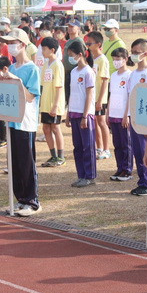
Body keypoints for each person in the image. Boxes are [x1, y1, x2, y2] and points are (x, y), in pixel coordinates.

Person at [0, 30, 43, 216]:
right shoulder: (12, 67)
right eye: (8, 43)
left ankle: (32, 201)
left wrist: (16, 81)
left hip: (26, 121)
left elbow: (31, 96)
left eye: (13, 42)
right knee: (14, 162)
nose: (10, 46)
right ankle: (20, 199)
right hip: (13, 120)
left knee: (26, 161)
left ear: (23, 44)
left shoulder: (31, 69)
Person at [126, 39, 147, 196]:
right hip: (134, 117)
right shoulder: (133, 74)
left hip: (145, 118)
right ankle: (143, 180)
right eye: (132, 52)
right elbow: (129, 95)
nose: (133, 55)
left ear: (145, 54)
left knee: (145, 149)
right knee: (137, 151)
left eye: (136, 52)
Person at [64, 40, 97, 187]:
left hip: (85, 114)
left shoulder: (88, 72)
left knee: (87, 146)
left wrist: (85, 115)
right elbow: (72, 93)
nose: (70, 58)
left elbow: (89, 94)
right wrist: (68, 113)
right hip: (74, 112)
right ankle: (81, 174)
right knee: (77, 146)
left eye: (72, 55)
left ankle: (89, 176)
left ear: (80, 54)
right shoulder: (73, 71)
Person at [38, 37, 67, 166]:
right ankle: (53, 156)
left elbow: (59, 86)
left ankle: (61, 157)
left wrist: (55, 105)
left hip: (55, 103)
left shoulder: (58, 65)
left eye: (44, 49)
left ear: (52, 50)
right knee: (46, 128)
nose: (43, 52)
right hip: (45, 102)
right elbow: (43, 85)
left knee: (55, 127)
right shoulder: (46, 64)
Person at [107, 47, 134, 182]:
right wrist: (108, 113)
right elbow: (111, 95)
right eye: (114, 59)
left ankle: (127, 170)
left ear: (125, 59)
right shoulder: (113, 75)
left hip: (123, 115)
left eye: (118, 59)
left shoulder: (129, 75)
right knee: (117, 144)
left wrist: (126, 115)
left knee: (126, 144)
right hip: (113, 114)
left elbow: (130, 96)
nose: (116, 62)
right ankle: (120, 167)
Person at [87, 31, 112, 163]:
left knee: (101, 122)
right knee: (95, 122)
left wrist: (101, 100)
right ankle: (99, 147)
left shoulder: (102, 60)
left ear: (98, 44)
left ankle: (106, 149)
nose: (87, 45)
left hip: (99, 98)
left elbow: (104, 81)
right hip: (93, 97)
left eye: (90, 43)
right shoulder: (93, 59)